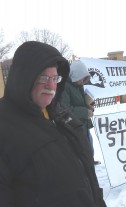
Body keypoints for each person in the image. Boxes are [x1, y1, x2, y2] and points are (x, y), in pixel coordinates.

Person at [0, 41, 106, 207]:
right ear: (24, 77)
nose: (51, 86)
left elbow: (88, 177)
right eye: (43, 77)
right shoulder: (5, 125)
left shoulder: (60, 113)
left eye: (55, 77)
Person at [61, 60, 99, 164]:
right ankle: (85, 163)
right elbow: (65, 109)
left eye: (84, 78)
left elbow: (79, 102)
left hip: (83, 123)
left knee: (88, 144)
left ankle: (90, 161)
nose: (83, 81)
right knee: (81, 147)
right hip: (74, 124)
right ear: (75, 75)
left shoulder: (79, 84)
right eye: (81, 78)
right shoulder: (65, 86)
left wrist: (88, 105)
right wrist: (85, 112)